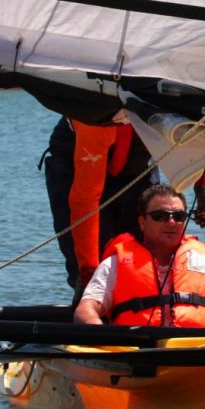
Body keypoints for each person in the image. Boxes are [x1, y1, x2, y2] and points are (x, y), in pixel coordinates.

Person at [74, 184, 205, 329]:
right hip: (136, 355)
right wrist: (103, 337)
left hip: (197, 354)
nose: (171, 222)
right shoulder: (115, 265)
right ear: (142, 222)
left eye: (179, 216)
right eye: (160, 216)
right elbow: (85, 310)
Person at [42, 115, 154, 292]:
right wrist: (88, 272)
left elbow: (199, 137)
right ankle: (88, 302)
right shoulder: (96, 119)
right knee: (93, 268)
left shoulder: (166, 106)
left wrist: (203, 184)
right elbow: (85, 198)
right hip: (77, 162)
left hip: (135, 165)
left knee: (148, 255)